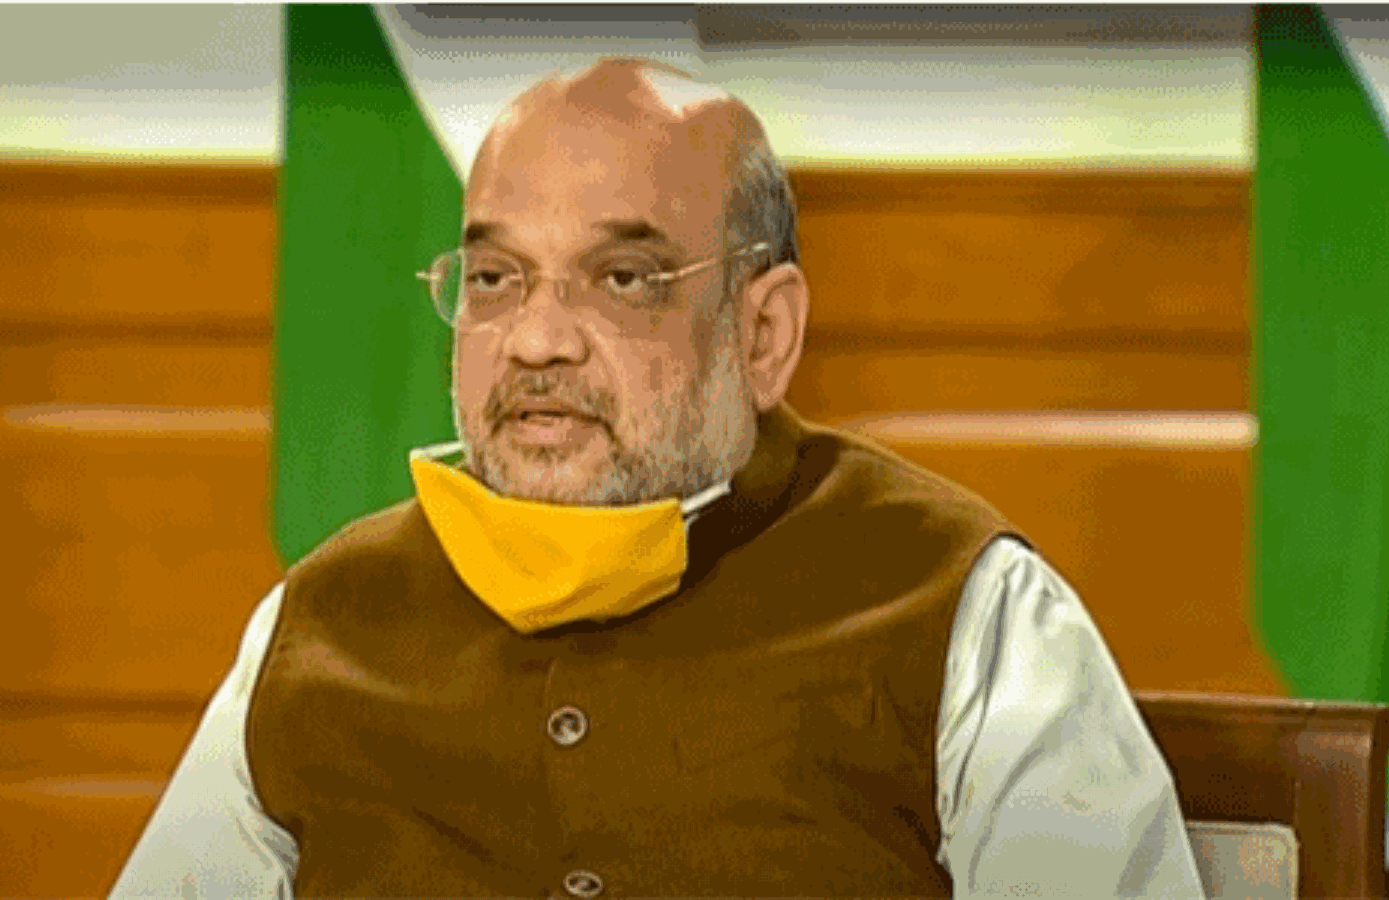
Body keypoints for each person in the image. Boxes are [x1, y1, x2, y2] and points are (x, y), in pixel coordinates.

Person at [111, 57, 1206, 898]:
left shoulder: (965, 609)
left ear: (763, 333)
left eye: (622, 279)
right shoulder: (319, 624)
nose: (536, 340)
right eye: (494, 278)